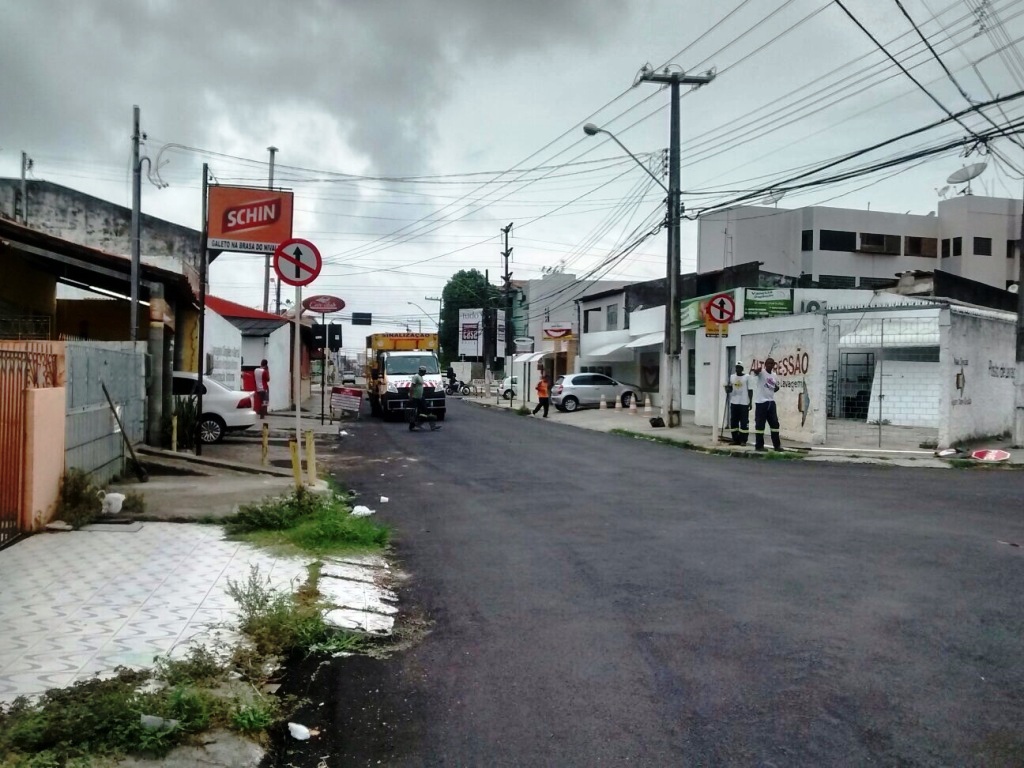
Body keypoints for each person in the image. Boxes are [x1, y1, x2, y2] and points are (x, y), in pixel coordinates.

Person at [750, 356, 782, 451]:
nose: (770, 365)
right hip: (761, 402)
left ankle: (777, 446)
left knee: (775, 424)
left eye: (772, 364)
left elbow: (773, 387)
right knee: (760, 425)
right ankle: (759, 446)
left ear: (773, 365)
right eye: (768, 363)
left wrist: (776, 388)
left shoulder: (774, 375)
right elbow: (755, 372)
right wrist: (757, 370)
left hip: (771, 402)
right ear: (765, 364)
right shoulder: (762, 373)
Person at [725, 362, 753, 445]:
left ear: (742, 369)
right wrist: (727, 389)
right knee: (734, 421)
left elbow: (750, 390)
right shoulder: (732, 377)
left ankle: (743, 440)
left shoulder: (747, 377)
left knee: (744, 422)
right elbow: (730, 388)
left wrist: (750, 402)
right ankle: (735, 439)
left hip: (744, 403)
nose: (738, 369)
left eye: (739, 367)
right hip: (734, 402)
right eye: (737, 367)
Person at [407, 365, 440, 432]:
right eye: (424, 371)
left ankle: (431, 425)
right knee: (413, 413)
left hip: (420, 397)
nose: (425, 373)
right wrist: (411, 397)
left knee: (426, 411)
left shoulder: (421, 377)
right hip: (415, 397)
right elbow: (412, 387)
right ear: (421, 371)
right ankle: (412, 426)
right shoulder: (416, 377)